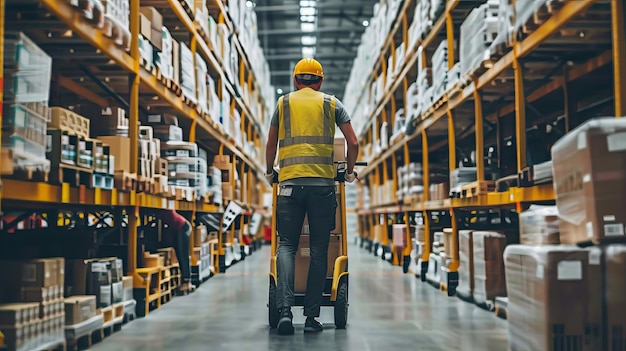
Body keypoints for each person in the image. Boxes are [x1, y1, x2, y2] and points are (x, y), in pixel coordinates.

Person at [265, 58, 359, 335]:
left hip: (290, 186)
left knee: (286, 247)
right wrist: (350, 172)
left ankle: (284, 311)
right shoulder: (332, 104)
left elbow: (271, 144)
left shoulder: (283, 104)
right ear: (320, 81)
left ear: (296, 81)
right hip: (322, 187)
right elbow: (352, 142)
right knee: (319, 249)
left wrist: (271, 172)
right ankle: (311, 317)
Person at [161, 209, 194, 291]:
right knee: (180, 254)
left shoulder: (163, 206)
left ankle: (186, 282)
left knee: (183, 255)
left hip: (183, 227)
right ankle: (185, 282)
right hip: (179, 227)